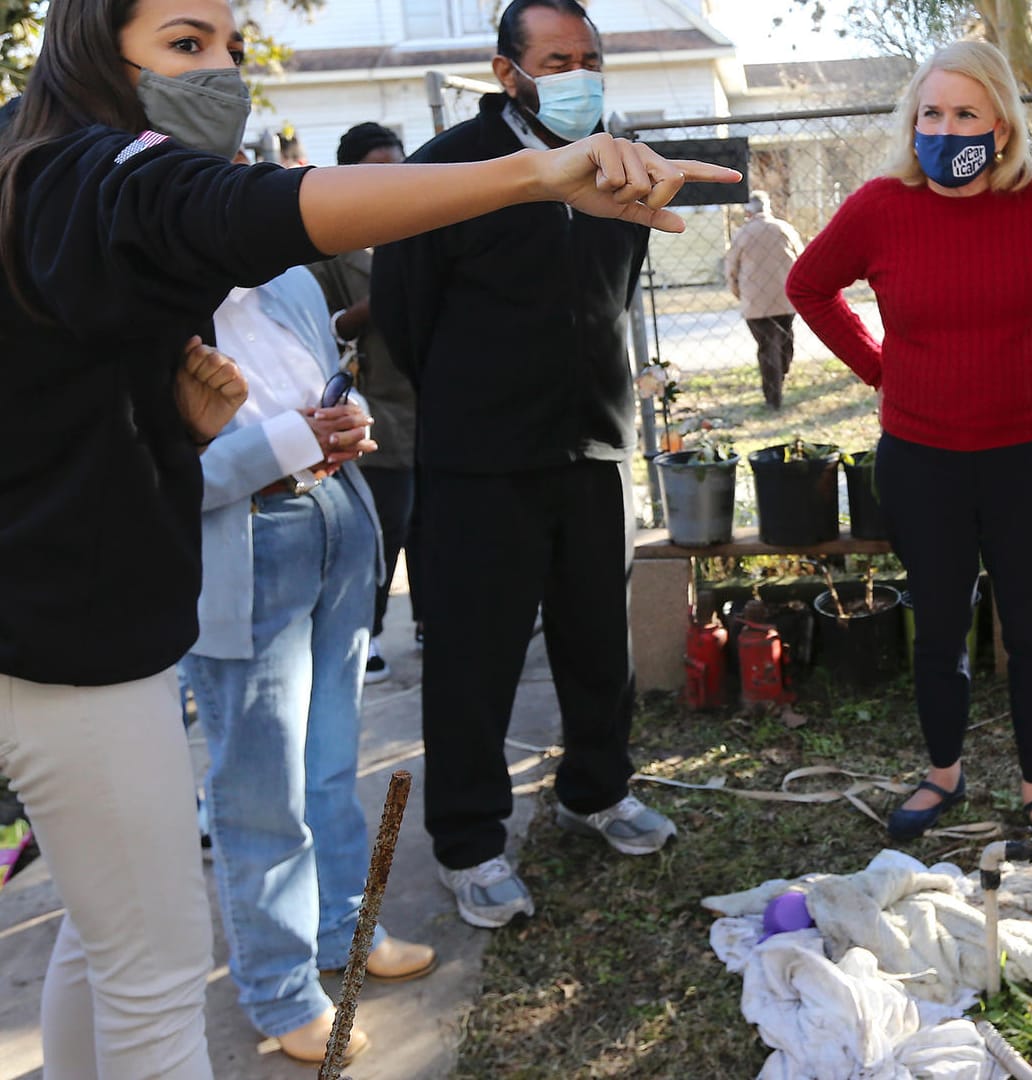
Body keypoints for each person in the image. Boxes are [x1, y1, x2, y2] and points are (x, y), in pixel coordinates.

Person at [0, 0, 736, 1073]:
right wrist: (532, 176)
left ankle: (388, 901)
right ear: (88, 49)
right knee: (155, 978)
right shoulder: (89, 177)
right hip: (74, 648)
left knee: (105, 945)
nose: (222, 75)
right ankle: (319, 952)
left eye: (231, 48)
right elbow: (267, 213)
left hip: (128, 606)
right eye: (186, 44)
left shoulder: (50, 183)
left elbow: (71, 437)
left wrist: (175, 428)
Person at [785, 41, 1032, 857]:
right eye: (930, 114)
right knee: (940, 625)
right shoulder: (881, 206)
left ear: (1003, 124)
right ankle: (943, 772)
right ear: (913, 123)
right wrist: (879, 369)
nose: (945, 129)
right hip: (923, 458)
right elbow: (808, 284)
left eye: (964, 114)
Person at [372, 0, 681, 932]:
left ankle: (599, 789)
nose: (579, 73)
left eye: (591, 56)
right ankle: (470, 844)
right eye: (557, 58)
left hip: (592, 444)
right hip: (478, 462)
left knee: (599, 642)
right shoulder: (448, 170)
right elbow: (405, 314)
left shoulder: (621, 161)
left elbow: (614, 291)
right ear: (508, 71)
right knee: (474, 657)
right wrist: (480, 398)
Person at [181, 261, 438, 1064]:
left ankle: (343, 932)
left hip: (336, 518)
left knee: (330, 763)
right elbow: (146, 477)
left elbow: (331, 378)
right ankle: (281, 990)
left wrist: (345, 416)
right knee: (262, 786)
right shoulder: (136, 300)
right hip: (245, 542)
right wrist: (291, 439)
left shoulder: (285, 280)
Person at [308, 121, 419, 684]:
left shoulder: (423, 224)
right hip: (372, 401)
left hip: (432, 396)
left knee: (435, 521)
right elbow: (319, 327)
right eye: (377, 171)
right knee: (387, 525)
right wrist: (372, 305)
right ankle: (368, 631)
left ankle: (431, 620)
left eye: (399, 169)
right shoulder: (330, 240)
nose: (391, 182)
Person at [724, 189, 803, 408]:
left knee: (767, 347)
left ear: (748, 212)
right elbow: (802, 259)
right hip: (786, 299)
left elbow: (731, 269)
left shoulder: (741, 235)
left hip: (755, 304)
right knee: (785, 341)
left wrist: (739, 293)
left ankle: (772, 396)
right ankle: (782, 373)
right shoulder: (784, 229)